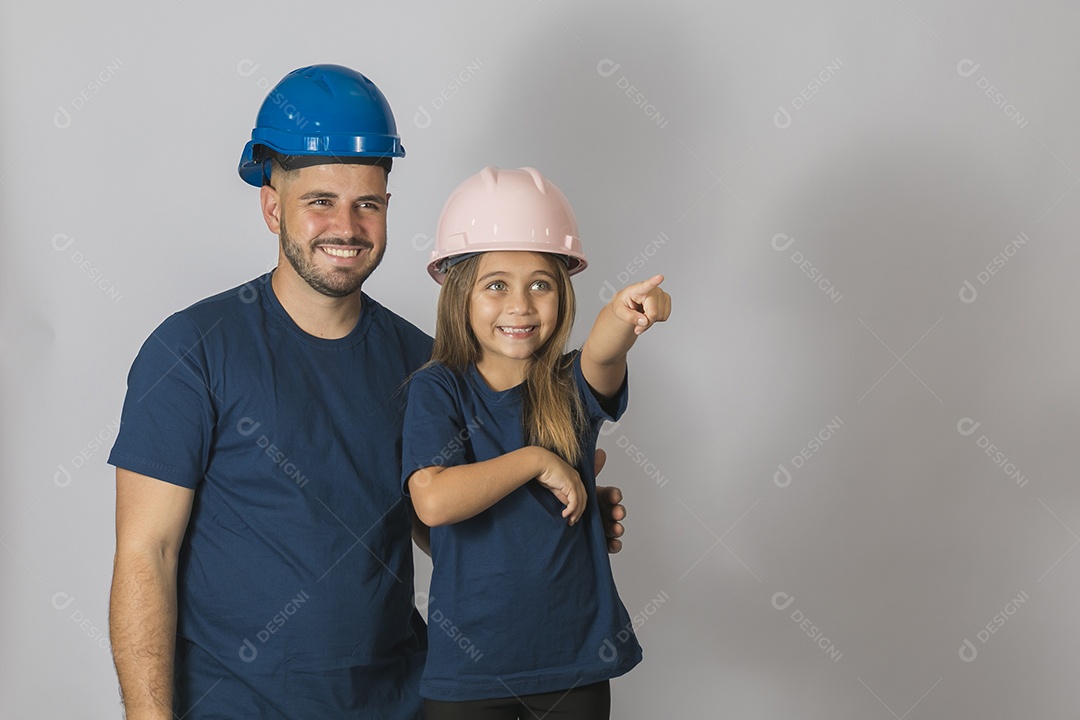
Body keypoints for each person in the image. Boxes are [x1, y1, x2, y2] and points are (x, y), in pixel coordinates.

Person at [107, 65, 628, 720]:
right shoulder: (192, 351)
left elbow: (444, 520)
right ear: (273, 205)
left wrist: (553, 521)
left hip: (403, 701)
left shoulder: (426, 364)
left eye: (368, 203)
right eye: (320, 200)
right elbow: (144, 557)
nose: (347, 226)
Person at [402, 166, 671, 719]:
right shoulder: (439, 387)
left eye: (540, 284)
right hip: (469, 673)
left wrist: (625, 316)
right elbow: (431, 500)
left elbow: (602, 353)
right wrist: (534, 461)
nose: (521, 305)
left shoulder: (569, 388)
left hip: (574, 662)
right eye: (496, 284)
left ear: (563, 293)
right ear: (459, 294)